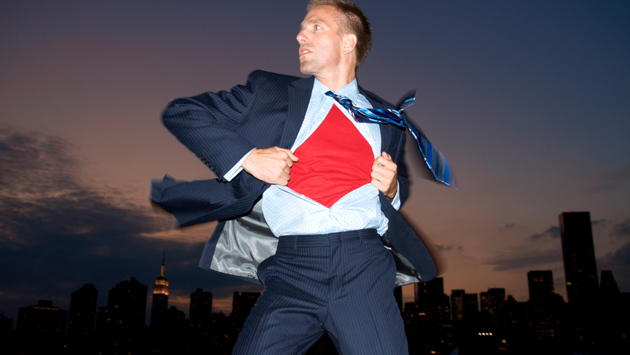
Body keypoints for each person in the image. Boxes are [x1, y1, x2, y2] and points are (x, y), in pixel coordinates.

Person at [151, 1, 438, 354]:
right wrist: (249, 158)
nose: (300, 35)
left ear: (348, 43)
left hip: (364, 266)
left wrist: (394, 188)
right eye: (303, 28)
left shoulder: (388, 117)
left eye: (315, 26)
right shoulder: (269, 91)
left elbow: (400, 184)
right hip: (292, 268)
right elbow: (184, 113)